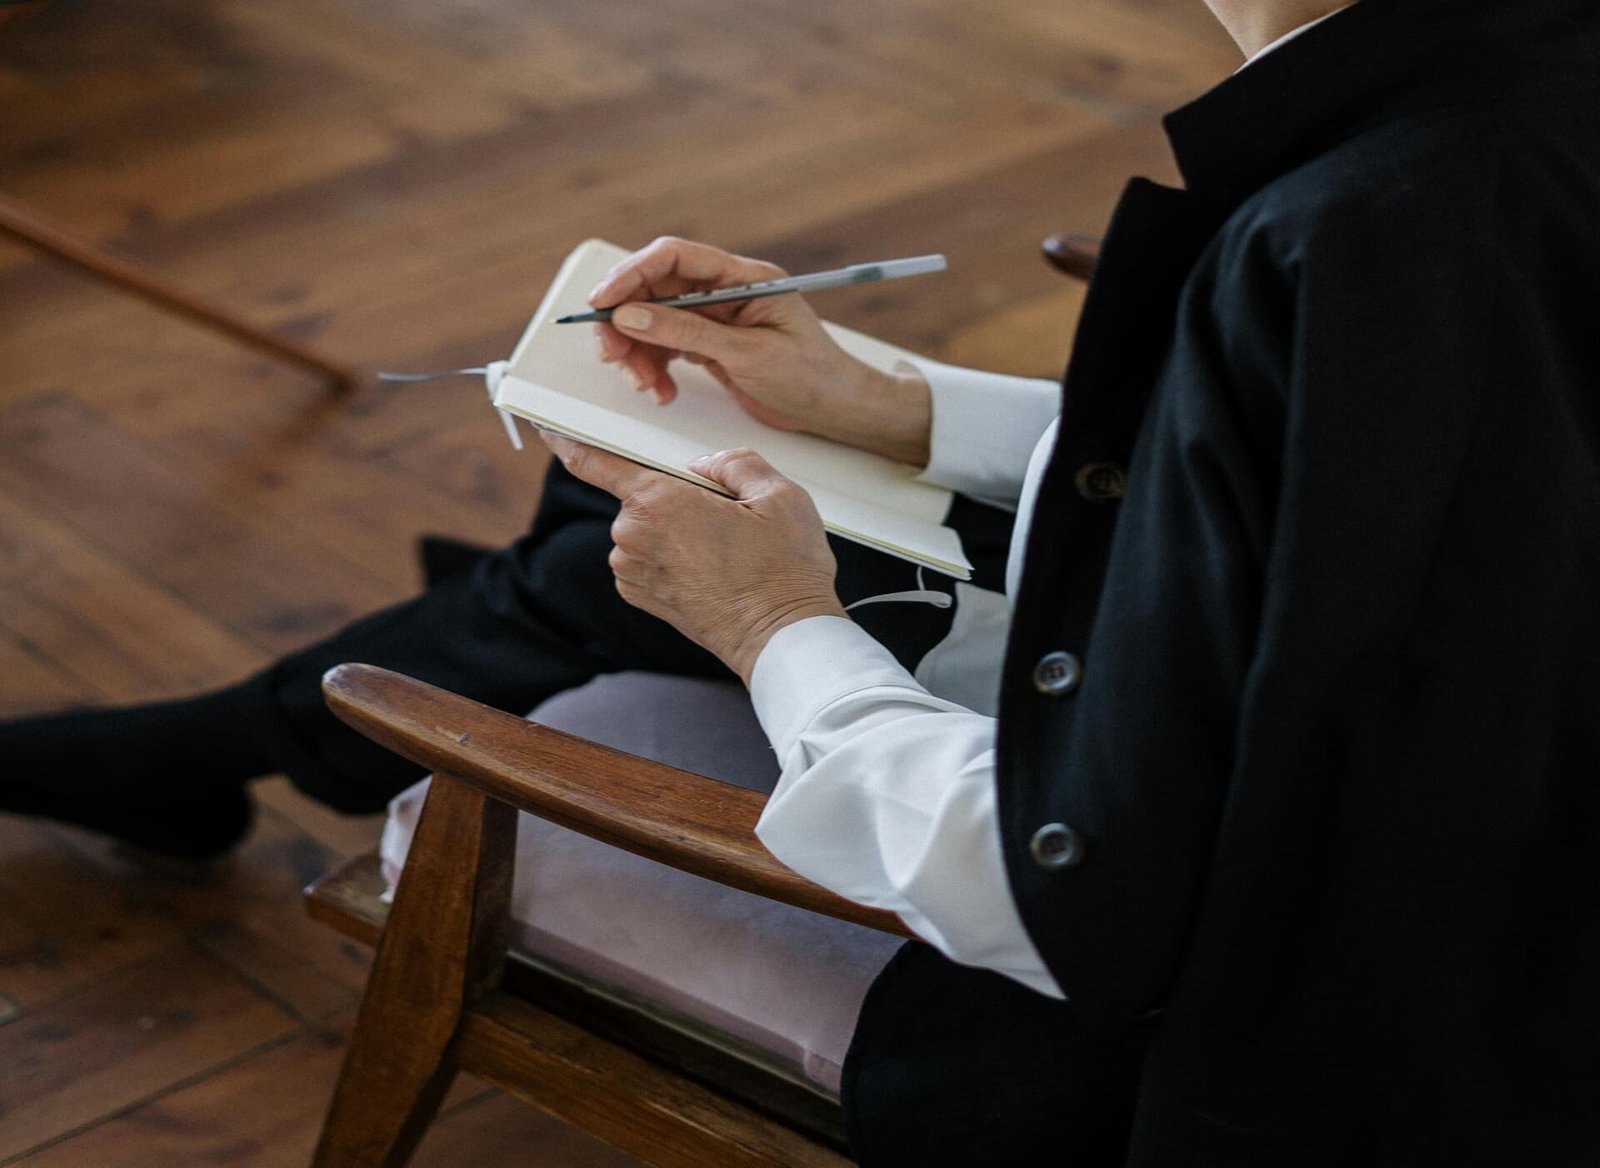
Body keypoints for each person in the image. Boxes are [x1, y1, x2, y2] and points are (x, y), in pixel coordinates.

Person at [5, 0, 1599, 1161]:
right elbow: (1321, 487)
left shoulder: (1340, 243)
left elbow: (1070, 895)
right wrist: (889, 406)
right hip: (1447, 879)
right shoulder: (1495, 133)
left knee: (659, 555)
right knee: (637, 532)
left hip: (1188, 1061)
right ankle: (240, 735)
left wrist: (775, 626)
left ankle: (254, 735)